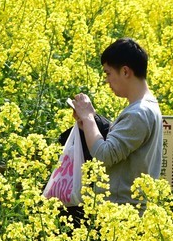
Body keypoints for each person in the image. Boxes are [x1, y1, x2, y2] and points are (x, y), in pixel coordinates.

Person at [70, 37, 163, 204]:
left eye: (108, 73)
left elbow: (104, 155)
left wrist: (89, 117)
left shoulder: (138, 113)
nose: (106, 80)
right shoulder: (147, 106)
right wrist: (87, 125)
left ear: (125, 71)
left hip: (121, 213)